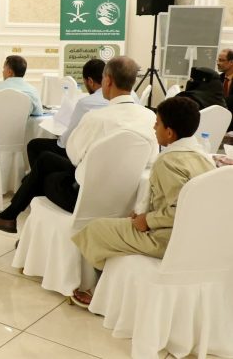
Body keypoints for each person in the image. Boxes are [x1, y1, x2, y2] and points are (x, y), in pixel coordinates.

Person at [0, 56, 157, 233]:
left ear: (108, 80)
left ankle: (24, 226)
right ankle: (12, 219)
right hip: (124, 199)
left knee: (41, 175)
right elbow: (151, 159)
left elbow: (73, 154)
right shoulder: (149, 117)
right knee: (45, 160)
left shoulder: (96, 118)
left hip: (85, 199)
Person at [70, 97, 215, 307]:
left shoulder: (169, 161)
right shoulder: (204, 157)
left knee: (95, 229)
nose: (154, 128)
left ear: (169, 133)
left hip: (167, 239)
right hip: (198, 237)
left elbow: (179, 211)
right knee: (121, 224)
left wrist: (147, 220)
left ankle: (100, 292)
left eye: (157, 124)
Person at [26, 59, 107, 168]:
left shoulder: (85, 103)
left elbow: (67, 140)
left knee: (34, 145)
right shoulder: (119, 100)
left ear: (90, 81)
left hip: (82, 155)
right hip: (105, 155)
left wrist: (60, 136)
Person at [0, 55, 42, 143]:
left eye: (3, 69)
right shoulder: (32, 91)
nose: (2, 71)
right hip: (18, 138)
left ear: (10, 72)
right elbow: (38, 113)